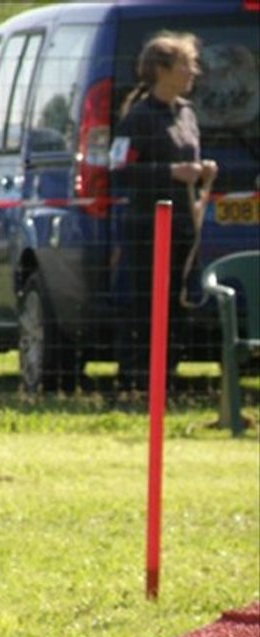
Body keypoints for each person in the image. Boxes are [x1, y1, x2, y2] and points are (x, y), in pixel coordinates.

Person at [110, 31, 218, 393]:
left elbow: (188, 159)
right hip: (146, 229)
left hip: (185, 225)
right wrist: (169, 173)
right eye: (186, 64)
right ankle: (135, 381)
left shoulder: (187, 113)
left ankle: (166, 379)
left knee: (178, 305)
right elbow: (118, 169)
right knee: (144, 305)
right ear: (161, 69)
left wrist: (203, 171)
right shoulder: (138, 118)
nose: (193, 72)